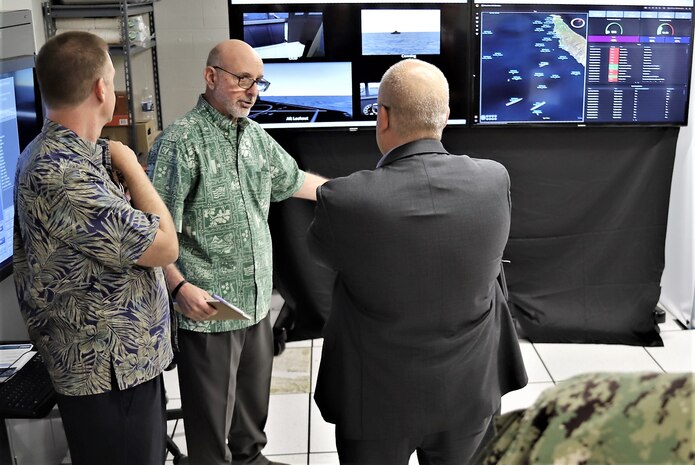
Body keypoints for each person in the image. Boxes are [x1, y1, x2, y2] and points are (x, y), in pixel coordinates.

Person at [306, 58, 528, 465]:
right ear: (444, 117)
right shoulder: (494, 179)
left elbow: (322, 256)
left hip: (373, 401)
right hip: (469, 393)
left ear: (383, 117)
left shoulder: (345, 199)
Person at [148, 39, 326, 465]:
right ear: (211, 77)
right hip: (208, 308)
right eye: (242, 79)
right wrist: (178, 288)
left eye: (258, 82)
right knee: (211, 422)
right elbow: (154, 235)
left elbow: (295, 180)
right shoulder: (180, 143)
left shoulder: (255, 138)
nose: (253, 91)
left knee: (251, 407)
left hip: (256, 303)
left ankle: (250, 459)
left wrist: (359, 194)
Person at [13, 31, 178, 465]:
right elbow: (164, 245)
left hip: (123, 367)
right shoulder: (62, 172)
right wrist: (131, 166)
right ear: (102, 88)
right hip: (108, 374)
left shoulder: (75, 154)